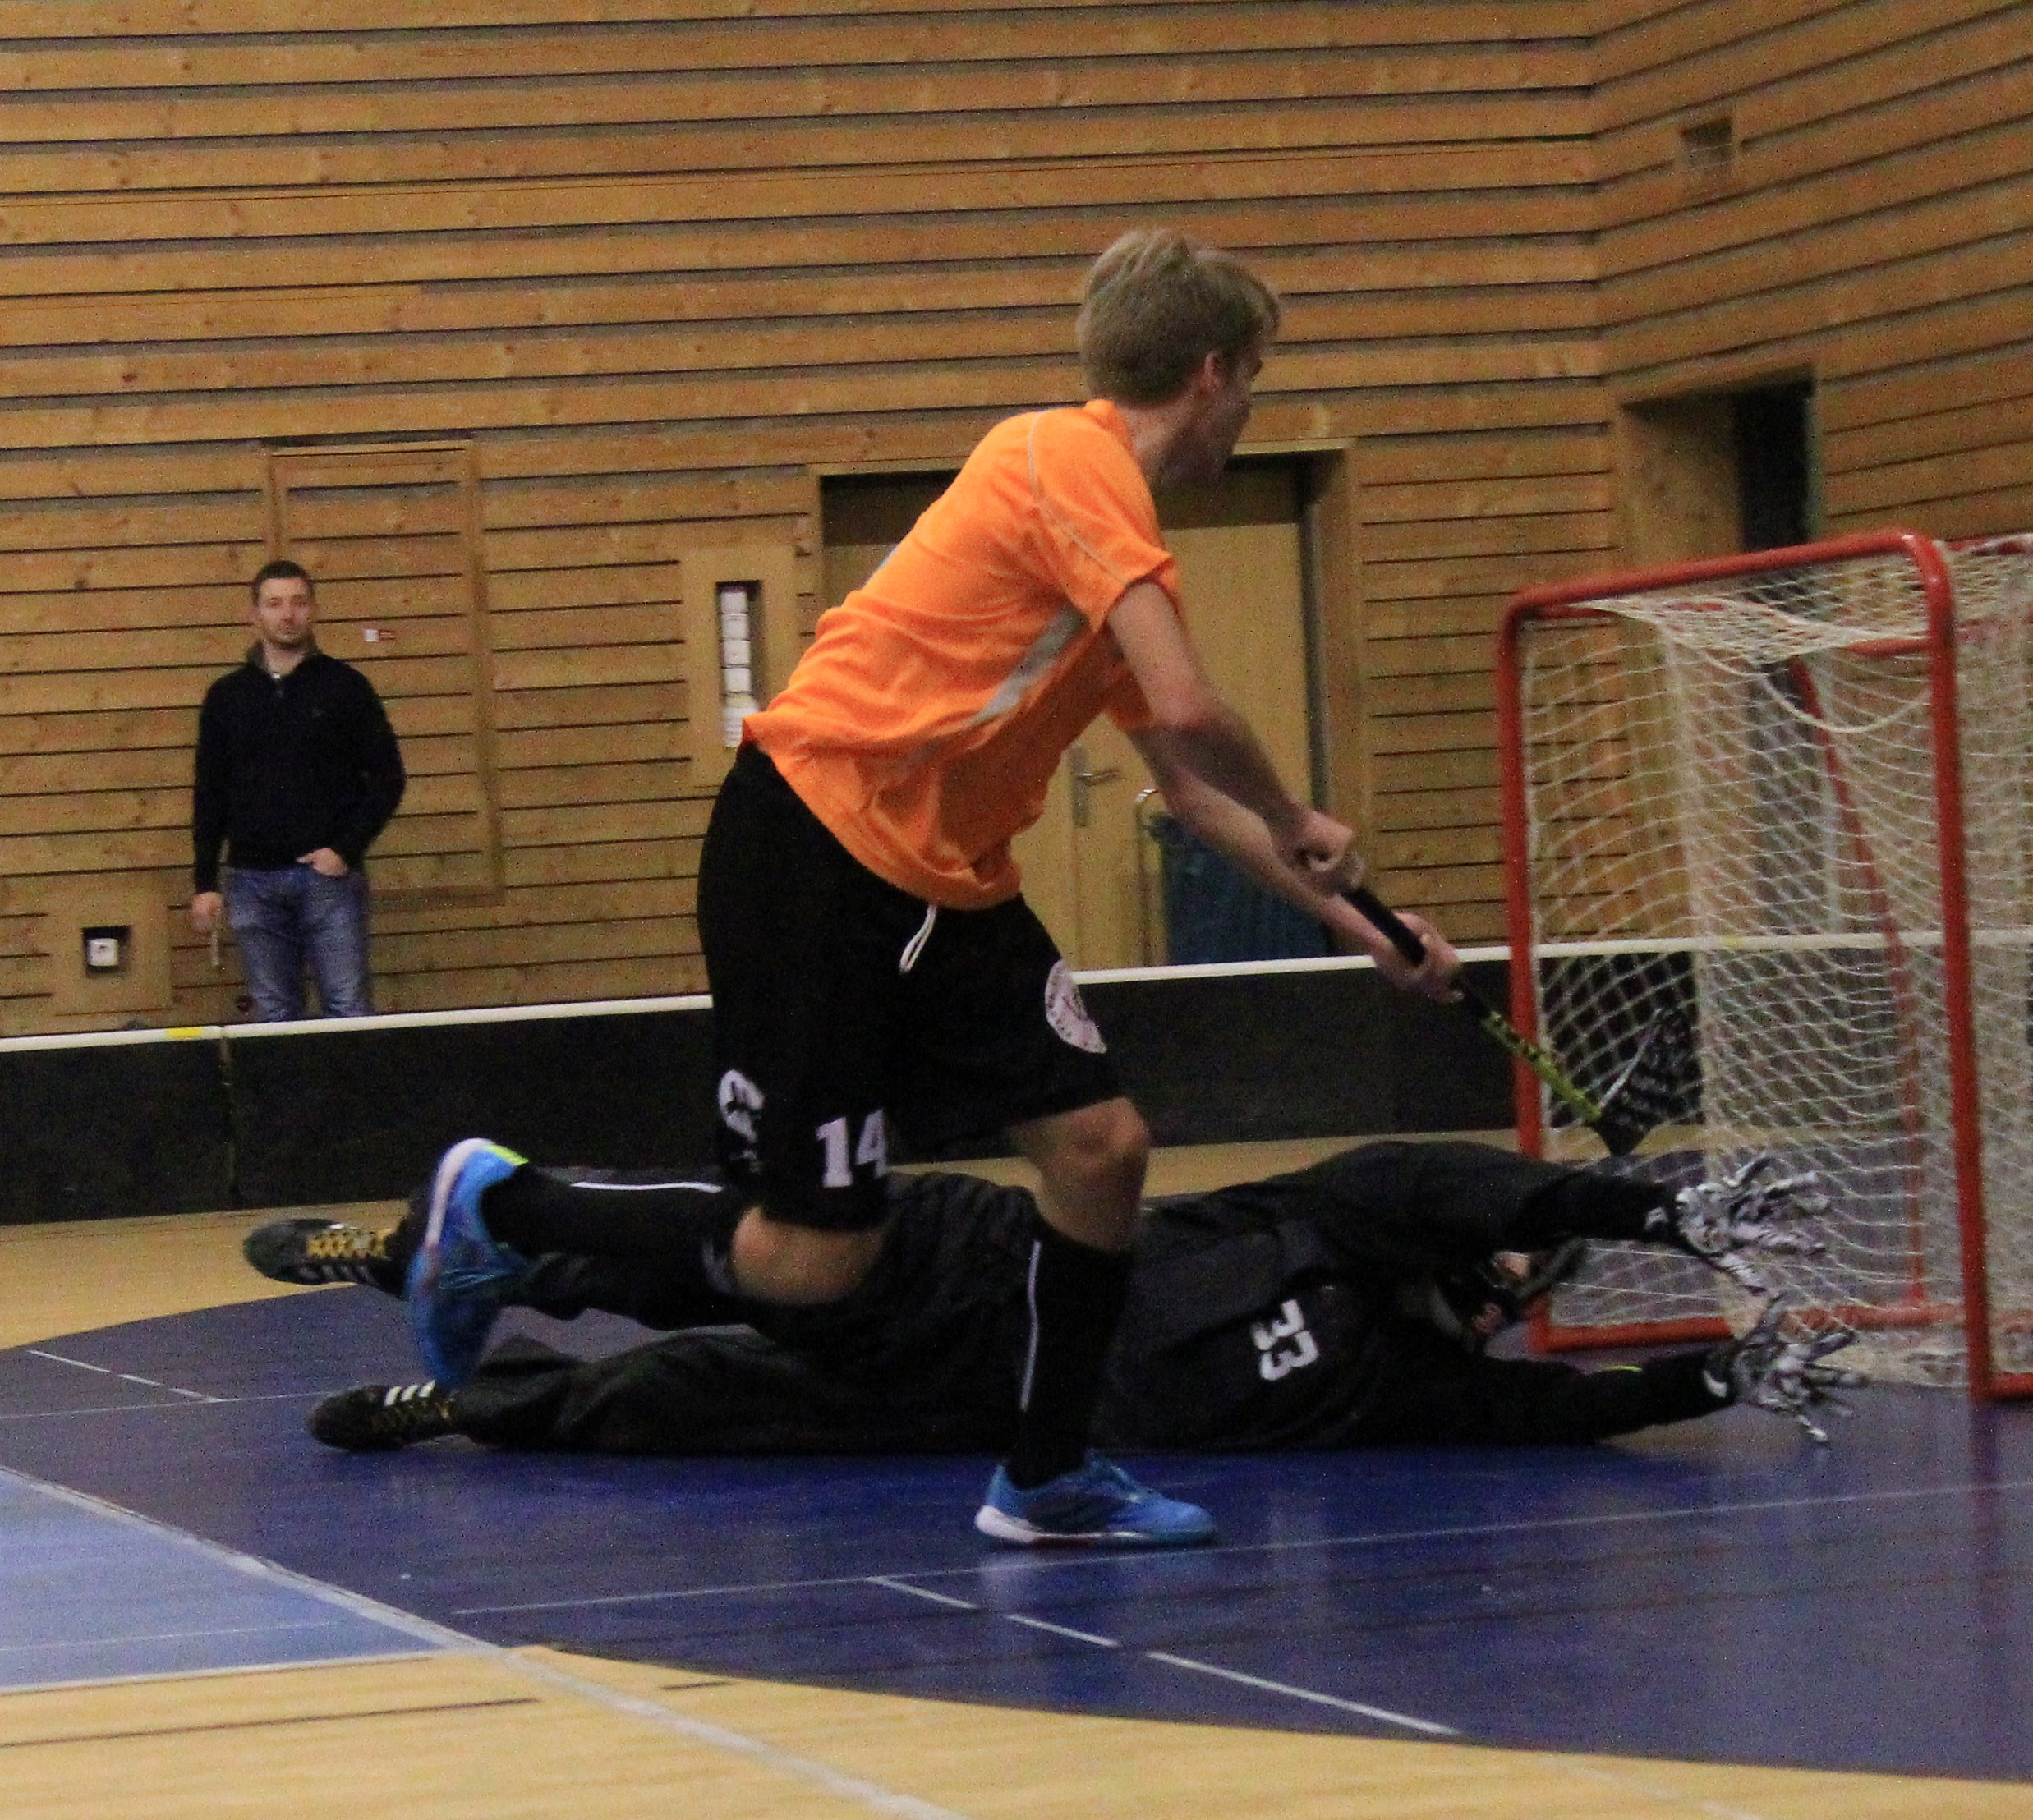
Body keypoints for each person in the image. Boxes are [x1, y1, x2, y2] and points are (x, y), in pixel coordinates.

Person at [401, 229, 1458, 1549]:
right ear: (1210, 372)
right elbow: (1194, 710)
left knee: (1102, 1151)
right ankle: (501, 1206)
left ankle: (1047, 1475)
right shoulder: (1065, 460)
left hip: (946, 885)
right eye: (1253, 380)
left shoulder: (1108, 544)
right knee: (809, 1258)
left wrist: (1360, 928)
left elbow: (1191, 791)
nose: (1249, 410)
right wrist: (1302, 817)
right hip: (815, 847)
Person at [246, 1142, 1858, 1459]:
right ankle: (443, 1239)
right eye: (1510, 1265)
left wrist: (1717, 1378)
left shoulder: (1400, 1387)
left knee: (679, 1403)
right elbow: (1488, 1190)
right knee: (747, 1263)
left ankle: (461, 1402)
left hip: (987, 1409)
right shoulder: (1337, 1220)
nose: (1507, 1290)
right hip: (981, 1265)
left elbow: (1560, 1414)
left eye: (1523, 1292)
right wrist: (1661, 1214)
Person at [187, 559, 407, 1020]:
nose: (287, 614)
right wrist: (205, 882)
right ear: (255, 615)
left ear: (313, 610)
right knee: (274, 1016)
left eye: (298, 602)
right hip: (251, 881)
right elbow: (210, 792)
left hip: (328, 881)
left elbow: (389, 777)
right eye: (274, 604)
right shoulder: (227, 697)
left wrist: (346, 850)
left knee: (348, 1008)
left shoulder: (346, 688)